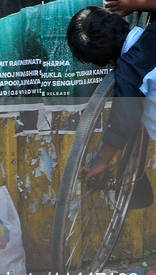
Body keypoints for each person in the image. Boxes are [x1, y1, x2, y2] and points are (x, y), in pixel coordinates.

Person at [66, 6, 156, 183]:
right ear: (119, 20)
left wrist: (103, 161)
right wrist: (140, 4)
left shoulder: (128, 72)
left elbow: (123, 119)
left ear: (107, 61)